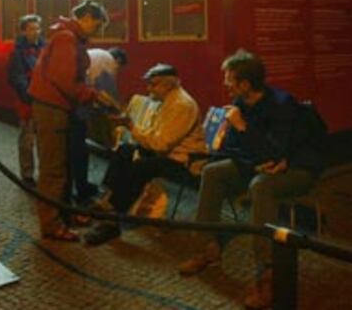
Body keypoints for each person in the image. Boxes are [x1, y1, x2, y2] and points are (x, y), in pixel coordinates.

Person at [178, 49, 323, 310]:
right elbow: (240, 151)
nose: (225, 84)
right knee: (213, 172)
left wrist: (244, 127)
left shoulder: (281, 104)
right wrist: (211, 153)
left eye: (229, 79)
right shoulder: (242, 106)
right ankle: (207, 246)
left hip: (298, 170)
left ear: (245, 84)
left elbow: (275, 153)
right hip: (259, 165)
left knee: (261, 186)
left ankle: (267, 271)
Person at [84, 63, 206, 246]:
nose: (148, 89)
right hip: (164, 153)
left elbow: (161, 144)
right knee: (125, 150)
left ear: (169, 85)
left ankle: (113, 219)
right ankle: (108, 200)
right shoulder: (165, 101)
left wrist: (131, 126)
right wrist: (128, 124)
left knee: (141, 167)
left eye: (153, 84)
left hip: (184, 161)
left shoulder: (182, 105)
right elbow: (153, 137)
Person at [28, 0, 115, 242]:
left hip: (55, 106)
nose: (95, 31)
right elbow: (64, 80)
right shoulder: (67, 38)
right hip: (53, 108)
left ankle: (64, 215)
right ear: (86, 18)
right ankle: (52, 225)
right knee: (54, 169)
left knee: (61, 165)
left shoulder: (66, 36)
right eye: (96, 26)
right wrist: (93, 95)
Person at [70, 46, 128, 203]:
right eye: (119, 68)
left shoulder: (95, 54)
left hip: (70, 105)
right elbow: (107, 92)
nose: (117, 71)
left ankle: (79, 186)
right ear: (118, 61)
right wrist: (119, 112)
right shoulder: (107, 61)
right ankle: (80, 192)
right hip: (76, 109)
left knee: (75, 149)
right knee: (78, 151)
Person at [7, 14, 44, 188]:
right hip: (28, 101)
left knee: (44, 140)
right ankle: (27, 174)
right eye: (31, 29)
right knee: (27, 140)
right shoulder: (18, 53)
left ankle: (45, 173)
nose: (35, 32)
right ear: (23, 31)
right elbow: (17, 78)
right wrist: (29, 97)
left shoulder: (45, 47)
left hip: (45, 100)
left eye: (37, 28)